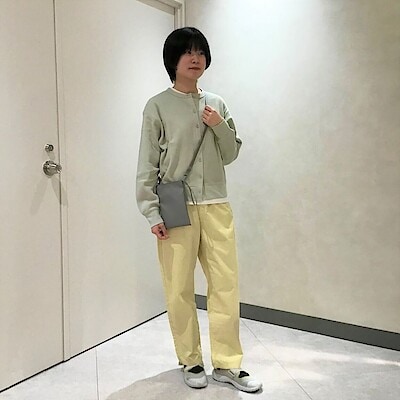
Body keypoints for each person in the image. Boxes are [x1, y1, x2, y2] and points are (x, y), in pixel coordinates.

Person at [136, 27, 262, 393]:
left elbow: (231, 153)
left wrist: (218, 126)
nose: (195, 59)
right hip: (176, 207)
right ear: (172, 60)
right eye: (187, 52)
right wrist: (152, 212)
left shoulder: (217, 103)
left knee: (225, 285)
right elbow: (147, 163)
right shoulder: (157, 106)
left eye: (201, 52)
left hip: (216, 205)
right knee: (179, 286)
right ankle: (190, 359)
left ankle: (228, 364)